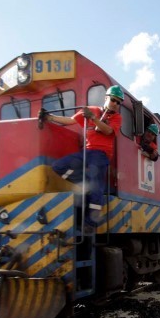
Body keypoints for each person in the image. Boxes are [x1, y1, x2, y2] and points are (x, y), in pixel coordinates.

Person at [39, 85, 124, 229]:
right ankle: (85, 184)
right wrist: (49, 117)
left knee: (97, 188)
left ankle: (91, 222)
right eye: (113, 100)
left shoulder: (117, 117)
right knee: (58, 166)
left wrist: (93, 119)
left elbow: (108, 130)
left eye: (118, 102)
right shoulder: (92, 110)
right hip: (87, 151)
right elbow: (70, 120)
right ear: (106, 98)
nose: (116, 104)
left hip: (101, 154)